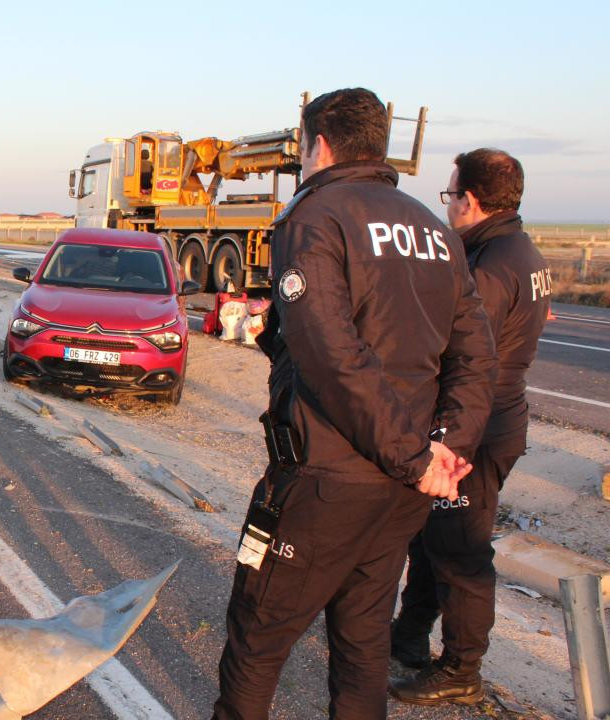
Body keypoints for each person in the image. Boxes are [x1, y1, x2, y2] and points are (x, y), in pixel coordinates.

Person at [211, 88, 497, 719]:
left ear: (318, 145)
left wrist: (415, 457)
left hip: (326, 480)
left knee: (257, 640)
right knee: (363, 644)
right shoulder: (432, 228)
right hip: (399, 493)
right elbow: (475, 357)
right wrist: (445, 448)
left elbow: (336, 357)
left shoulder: (315, 217)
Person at [390, 149, 550, 705]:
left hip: (475, 429)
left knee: (460, 552)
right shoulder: (520, 250)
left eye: (451, 194)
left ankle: (461, 668)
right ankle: (409, 639)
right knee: (434, 539)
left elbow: (454, 348)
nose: (449, 205)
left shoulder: (490, 263)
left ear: (472, 200)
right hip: (497, 418)